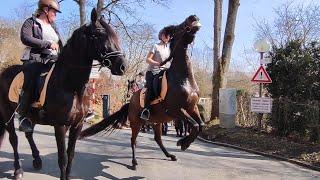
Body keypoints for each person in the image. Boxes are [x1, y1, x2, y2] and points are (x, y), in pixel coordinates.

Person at [17, 0, 63, 132]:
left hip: (52, 59)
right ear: (45, 10)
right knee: (33, 76)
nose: (55, 14)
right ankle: (23, 116)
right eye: (54, 11)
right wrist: (47, 44)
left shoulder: (54, 27)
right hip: (35, 58)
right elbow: (25, 38)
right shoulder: (30, 22)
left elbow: (61, 44)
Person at [140, 28, 171, 121]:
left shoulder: (169, 49)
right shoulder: (155, 46)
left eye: (168, 35)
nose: (166, 37)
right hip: (153, 72)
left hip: (164, 71)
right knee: (151, 87)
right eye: (165, 35)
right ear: (161, 36)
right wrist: (157, 63)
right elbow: (147, 59)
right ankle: (146, 110)